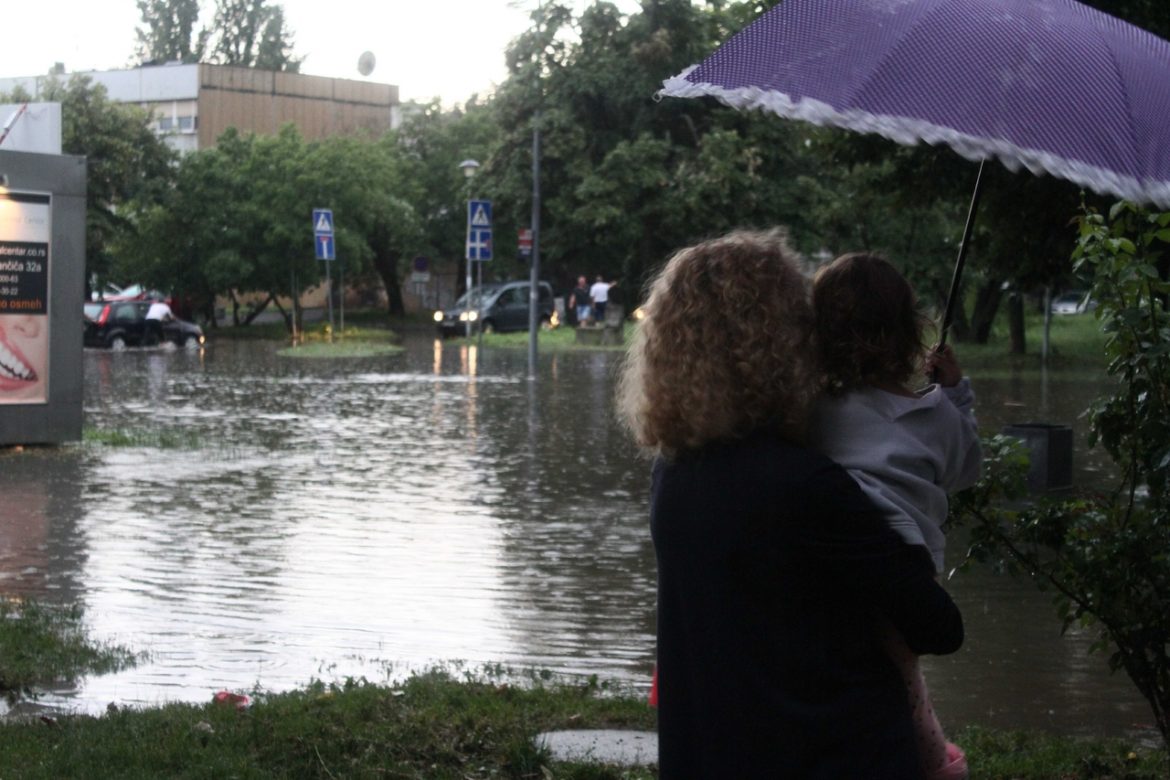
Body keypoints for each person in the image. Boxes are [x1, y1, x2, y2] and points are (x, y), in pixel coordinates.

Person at [616, 230, 964, 778]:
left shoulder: (673, 474)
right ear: (778, 343)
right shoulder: (806, 486)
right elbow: (938, 628)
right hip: (828, 755)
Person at [810, 252, 982, 780]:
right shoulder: (936, 416)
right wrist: (956, 394)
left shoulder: (815, 407)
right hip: (908, 570)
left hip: (829, 567)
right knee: (903, 682)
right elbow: (966, 469)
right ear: (909, 332)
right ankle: (934, 766)